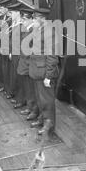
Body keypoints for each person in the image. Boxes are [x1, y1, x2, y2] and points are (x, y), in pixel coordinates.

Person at [28, 8, 60, 136]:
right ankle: (42, 119)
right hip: (37, 71)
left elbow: (52, 56)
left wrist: (48, 76)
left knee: (47, 100)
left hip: (44, 73)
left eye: (35, 18)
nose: (33, 20)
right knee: (40, 99)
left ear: (42, 19)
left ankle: (49, 126)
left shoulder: (49, 33)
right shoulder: (39, 30)